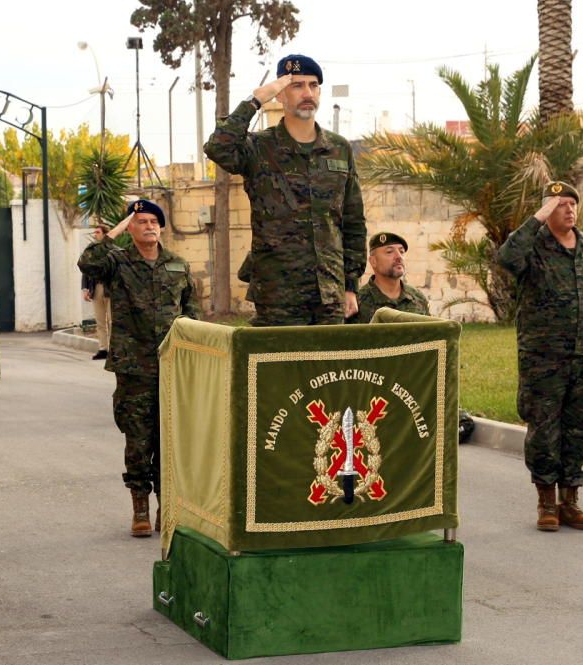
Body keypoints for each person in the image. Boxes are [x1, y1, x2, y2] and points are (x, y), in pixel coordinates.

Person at [204, 53, 366, 326]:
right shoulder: (259, 148)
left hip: (329, 291)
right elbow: (218, 147)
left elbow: (353, 220)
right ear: (280, 94)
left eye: (313, 86)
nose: (308, 93)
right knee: (280, 368)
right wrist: (256, 100)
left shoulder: (339, 149)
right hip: (277, 294)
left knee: (328, 368)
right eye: (297, 86)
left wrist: (350, 285)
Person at [497, 181, 583, 532]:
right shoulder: (532, 246)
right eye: (560, 204)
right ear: (548, 209)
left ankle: (571, 502)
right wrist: (537, 217)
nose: (569, 209)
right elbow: (505, 258)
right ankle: (546, 502)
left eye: (572, 204)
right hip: (543, 359)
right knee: (545, 431)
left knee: (580, 430)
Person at [77, 199, 199, 537]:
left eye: (152, 221)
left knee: (169, 441)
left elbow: (191, 311)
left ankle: (167, 507)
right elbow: (87, 261)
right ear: (130, 228)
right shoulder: (117, 262)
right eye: (140, 221)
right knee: (138, 439)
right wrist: (113, 233)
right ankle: (140, 508)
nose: (148, 226)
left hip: (171, 366)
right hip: (133, 368)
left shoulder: (177, 264)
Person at [346, 232, 429, 323]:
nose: (399, 257)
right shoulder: (358, 303)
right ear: (373, 261)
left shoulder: (417, 298)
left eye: (401, 252)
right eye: (389, 252)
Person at [81, 223, 112, 360]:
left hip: (111, 290)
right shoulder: (91, 251)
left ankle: (113, 349)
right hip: (96, 288)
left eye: (98, 232)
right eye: (95, 232)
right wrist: (85, 288)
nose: (95, 235)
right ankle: (103, 349)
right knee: (100, 321)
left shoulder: (113, 250)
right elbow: (85, 269)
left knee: (112, 321)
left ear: (105, 234)